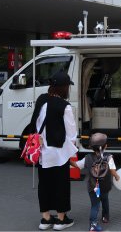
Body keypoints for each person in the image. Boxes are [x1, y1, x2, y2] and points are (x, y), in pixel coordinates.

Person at [36, 71, 79, 231]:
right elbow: (71, 133)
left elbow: (35, 122)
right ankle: (61, 220)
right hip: (59, 153)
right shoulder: (65, 106)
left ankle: (45, 219)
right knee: (61, 185)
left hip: (42, 151)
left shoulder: (41, 100)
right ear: (64, 88)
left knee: (44, 184)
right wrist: (71, 152)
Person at [74, 133, 120, 232]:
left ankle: (93, 224)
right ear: (106, 146)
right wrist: (117, 177)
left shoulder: (87, 158)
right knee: (105, 200)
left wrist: (67, 160)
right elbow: (112, 171)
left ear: (91, 147)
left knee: (95, 205)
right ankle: (105, 217)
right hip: (105, 186)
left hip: (92, 187)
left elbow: (77, 165)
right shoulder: (109, 157)